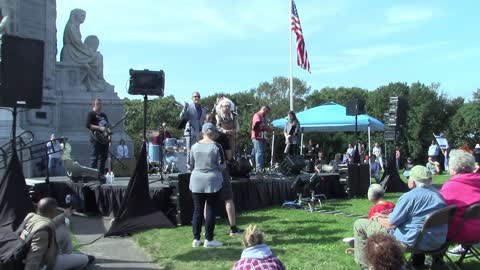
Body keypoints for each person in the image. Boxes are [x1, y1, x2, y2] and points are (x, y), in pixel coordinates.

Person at [352, 165, 447, 268]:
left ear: (413, 182)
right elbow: (415, 217)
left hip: (411, 242)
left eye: (409, 177)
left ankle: (365, 266)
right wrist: (386, 216)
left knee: (359, 224)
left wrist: (378, 218)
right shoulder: (438, 196)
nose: (408, 180)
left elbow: (390, 224)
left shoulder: (409, 197)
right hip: (436, 241)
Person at [20, 198, 94, 270]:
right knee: (84, 259)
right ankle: (70, 259)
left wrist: (64, 215)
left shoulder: (31, 216)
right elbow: (34, 256)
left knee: (62, 225)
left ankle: (68, 255)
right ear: (52, 211)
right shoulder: (43, 231)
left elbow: (52, 223)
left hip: (26, 254)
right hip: (45, 264)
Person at [205, 113, 243, 236]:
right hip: (221, 170)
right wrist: (231, 140)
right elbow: (229, 156)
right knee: (228, 198)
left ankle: (209, 230)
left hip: (206, 171)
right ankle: (233, 228)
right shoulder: (222, 137)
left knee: (208, 200)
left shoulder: (200, 138)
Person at [189, 123, 225, 248]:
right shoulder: (217, 146)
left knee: (197, 210)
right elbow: (221, 166)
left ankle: (196, 239)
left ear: (202, 132)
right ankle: (209, 239)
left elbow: (190, 165)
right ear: (213, 132)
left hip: (196, 180)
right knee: (210, 209)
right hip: (212, 181)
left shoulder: (194, 146)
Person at [439, 149, 480, 256]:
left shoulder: (451, 186)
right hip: (478, 231)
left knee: (434, 223)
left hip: (461, 233)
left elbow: (439, 209)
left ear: (453, 168)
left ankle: (436, 261)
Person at [60, 9, 110, 92]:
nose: (84, 18)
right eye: (82, 15)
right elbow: (77, 43)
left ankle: (97, 81)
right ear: (76, 16)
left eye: (85, 16)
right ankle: (97, 83)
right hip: (71, 53)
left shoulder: (75, 26)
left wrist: (89, 51)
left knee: (97, 56)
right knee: (98, 57)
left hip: (75, 51)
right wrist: (89, 51)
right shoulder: (71, 26)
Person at [343, 184, 395, 250]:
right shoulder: (392, 204)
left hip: (379, 234)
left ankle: (358, 243)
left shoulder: (374, 209)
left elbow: (370, 225)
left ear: (370, 196)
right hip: (393, 232)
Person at [180, 92, 208, 170]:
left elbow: (204, 121)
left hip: (199, 133)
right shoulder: (189, 107)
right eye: (195, 96)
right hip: (190, 131)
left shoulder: (203, 109)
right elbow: (181, 117)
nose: (197, 98)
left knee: (199, 150)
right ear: (192, 98)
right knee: (190, 150)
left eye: (198, 96)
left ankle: (197, 166)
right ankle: (189, 166)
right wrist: (184, 108)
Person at [86, 98, 109, 182]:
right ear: (94, 105)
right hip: (95, 138)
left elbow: (107, 126)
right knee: (94, 157)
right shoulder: (91, 114)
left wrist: (109, 136)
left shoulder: (103, 115)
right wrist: (99, 128)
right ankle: (92, 176)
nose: (100, 106)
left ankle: (100, 175)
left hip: (104, 139)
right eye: (98, 104)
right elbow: (88, 125)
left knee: (103, 157)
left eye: (101, 104)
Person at [251, 106, 272, 174]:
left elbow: (264, 126)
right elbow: (259, 125)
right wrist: (268, 128)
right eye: (266, 112)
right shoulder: (257, 115)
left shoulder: (264, 117)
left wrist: (268, 129)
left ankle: (255, 167)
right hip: (257, 137)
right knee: (259, 152)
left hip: (262, 137)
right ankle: (259, 169)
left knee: (257, 153)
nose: (267, 113)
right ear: (264, 109)